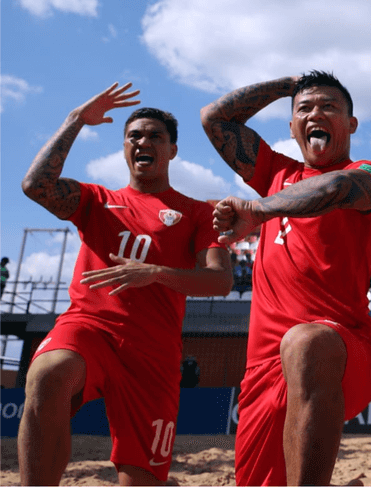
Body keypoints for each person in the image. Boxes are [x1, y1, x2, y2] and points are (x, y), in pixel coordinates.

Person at [18, 83, 232, 486]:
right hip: (89, 327)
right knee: (47, 374)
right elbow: (35, 186)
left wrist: (156, 273)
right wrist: (75, 119)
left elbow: (220, 280)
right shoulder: (95, 200)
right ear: (123, 148)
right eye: (134, 135)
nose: (143, 141)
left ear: (172, 151)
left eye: (156, 136)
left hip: (153, 353)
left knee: (140, 478)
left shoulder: (198, 213)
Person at [200, 71, 371, 486]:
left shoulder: (370, 173)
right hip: (264, 371)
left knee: (304, 341)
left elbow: (338, 186)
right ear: (291, 127)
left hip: (342, 347)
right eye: (304, 109)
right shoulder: (275, 172)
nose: (315, 113)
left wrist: (261, 209)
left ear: (351, 124)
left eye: (329, 107)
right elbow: (214, 120)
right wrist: (290, 84)